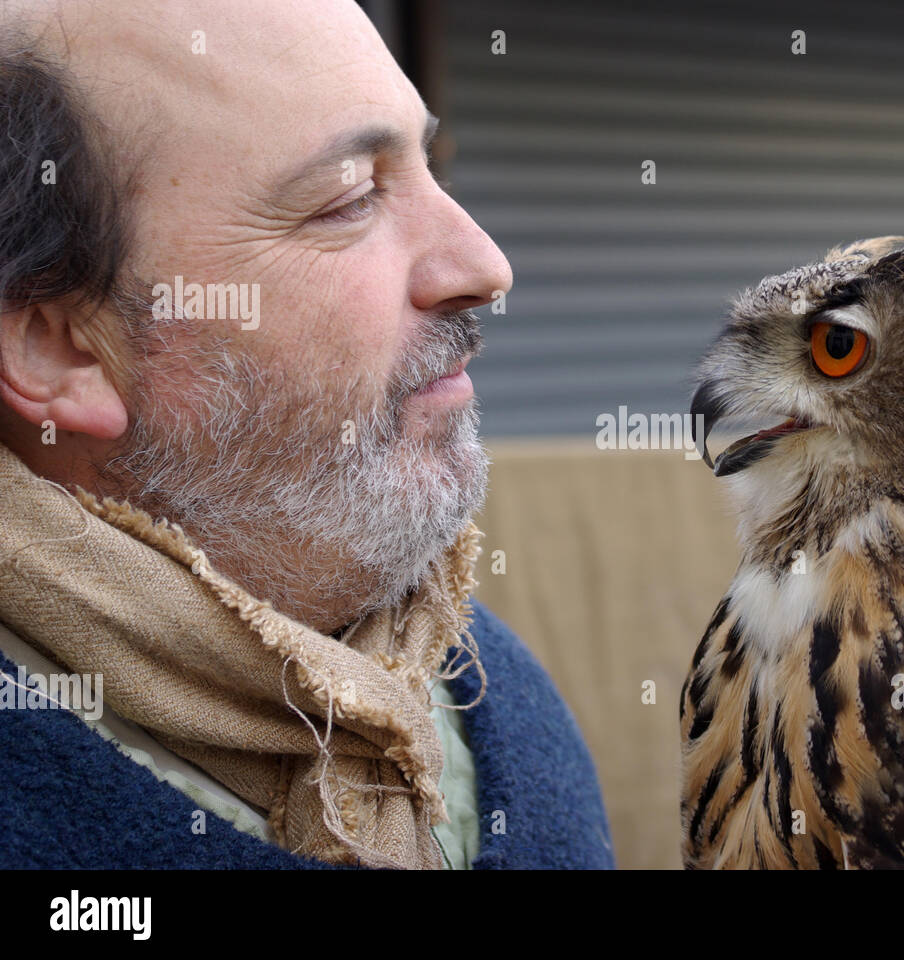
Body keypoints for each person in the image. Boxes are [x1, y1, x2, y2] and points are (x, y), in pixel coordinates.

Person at [0, 0, 614, 869]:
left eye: (430, 165)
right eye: (350, 199)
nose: (484, 265)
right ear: (60, 345)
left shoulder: (498, 699)